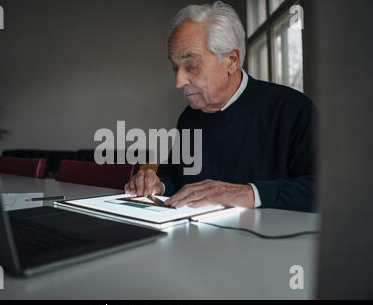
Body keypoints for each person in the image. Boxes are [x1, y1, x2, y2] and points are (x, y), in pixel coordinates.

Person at [124, 1, 317, 212]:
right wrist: (158, 183)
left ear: (232, 60)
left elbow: (322, 188)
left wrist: (248, 194)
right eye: (175, 68)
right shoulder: (189, 118)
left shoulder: (292, 109)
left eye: (192, 66)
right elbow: (176, 174)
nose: (179, 82)